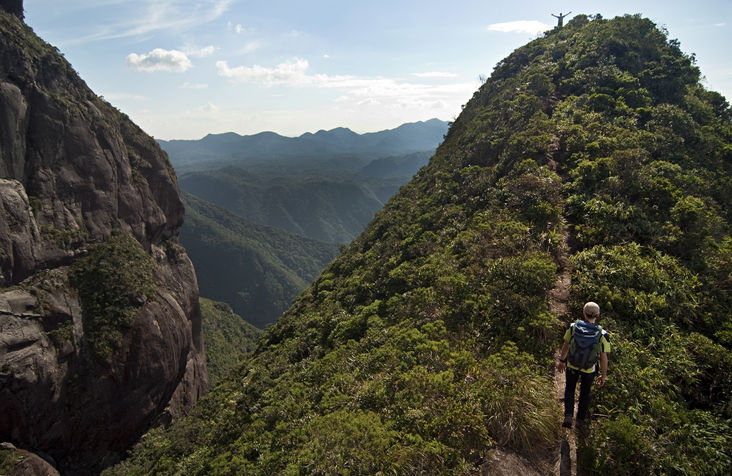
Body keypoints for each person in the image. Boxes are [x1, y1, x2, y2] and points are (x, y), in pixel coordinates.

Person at [556, 301, 610, 428]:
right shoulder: (602, 334)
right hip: (589, 369)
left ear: (584, 313)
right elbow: (603, 357)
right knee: (585, 393)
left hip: (572, 365)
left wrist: (562, 361)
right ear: (598, 315)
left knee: (569, 388)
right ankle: (580, 420)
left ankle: (568, 415)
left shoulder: (573, 327)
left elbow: (566, 345)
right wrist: (603, 375)